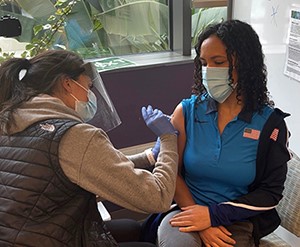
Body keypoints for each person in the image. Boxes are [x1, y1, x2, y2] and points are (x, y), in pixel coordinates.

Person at [0, 50, 179, 246]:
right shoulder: (74, 135)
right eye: (88, 86)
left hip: (22, 232)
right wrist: (168, 139)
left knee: (131, 228)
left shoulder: (10, 119)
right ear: (67, 83)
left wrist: (149, 157)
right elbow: (157, 198)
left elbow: (77, 169)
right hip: (49, 237)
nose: (90, 95)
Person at [156, 19, 291, 247]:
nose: (208, 71)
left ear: (245, 63)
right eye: (203, 63)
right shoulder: (186, 112)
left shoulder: (271, 125)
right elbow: (171, 173)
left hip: (235, 220)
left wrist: (213, 216)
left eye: (218, 62)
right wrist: (201, 218)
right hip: (185, 210)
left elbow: (271, 192)